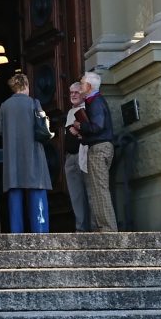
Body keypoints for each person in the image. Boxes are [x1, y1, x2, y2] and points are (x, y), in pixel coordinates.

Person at [0, 73, 52, 233]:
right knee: (37, 190)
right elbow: (44, 129)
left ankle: (17, 235)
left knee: (14, 193)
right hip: (33, 153)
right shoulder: (34, 103)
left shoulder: (5, 106)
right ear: (26, 85)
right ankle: (40, 232)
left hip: (12, 157)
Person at [74, 71, 118, 232]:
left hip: (100, 149)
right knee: (97, 189)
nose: (79, 88)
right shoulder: (93, 101)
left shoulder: (96, 102)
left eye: (82, 84)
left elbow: (97, 126)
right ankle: (103, 227)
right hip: (98, 147)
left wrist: (81, 126)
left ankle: (108, 229)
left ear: (89, 86)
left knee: (100, 189)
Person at [63, 82, 92, 232]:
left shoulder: (88, 109)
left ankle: (93, 229)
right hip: (70, 158)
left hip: (84, 155)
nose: (73, 95)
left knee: (90, 194)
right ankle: (81, 229)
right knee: (76, 196)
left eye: (76, 92)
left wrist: (79, 131)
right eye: (71, 92)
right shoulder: (70, 112)